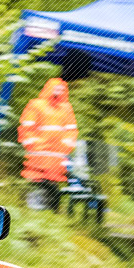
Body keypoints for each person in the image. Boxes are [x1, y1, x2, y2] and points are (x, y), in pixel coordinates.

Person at [18, 77, 78, 206]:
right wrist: (33, 143)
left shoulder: (66, 107)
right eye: (57, 88)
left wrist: (66, 145)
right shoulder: (36, 104)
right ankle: (34, 203)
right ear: (49, 88)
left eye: (62, 89)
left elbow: (71, 129)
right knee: (37, 178)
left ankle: (51, 206)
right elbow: (27, 126)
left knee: (53, 180)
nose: (59, 91)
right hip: (39, 150)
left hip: (57, 152)